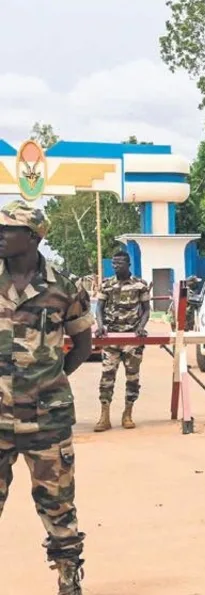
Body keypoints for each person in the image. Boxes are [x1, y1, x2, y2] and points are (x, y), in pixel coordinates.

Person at [0, 200, 94, 594]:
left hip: (47, 421)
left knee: (58, 505)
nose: (1, 235)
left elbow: (83, 343)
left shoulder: (64, 287)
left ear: (33, 236)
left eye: (8, 229)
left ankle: (68, 576)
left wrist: (52, 379)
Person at [94, 250, 150, 432]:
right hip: (111, 339)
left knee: (132, 378)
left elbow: (146, 309)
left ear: (128, 264)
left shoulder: (140, 285)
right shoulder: (106, 284)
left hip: (132, 339)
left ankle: (128, 414)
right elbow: (99, 308)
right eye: (114, 263)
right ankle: (104, 416)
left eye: (119, 263)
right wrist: (100, 326)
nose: (116, 266)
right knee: (106, 378)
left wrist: (141, 326)